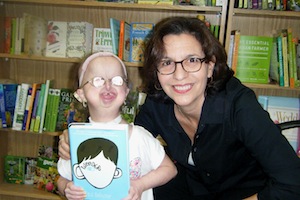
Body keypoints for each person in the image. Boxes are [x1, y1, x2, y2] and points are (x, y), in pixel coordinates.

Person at [58, 17, 300, 200]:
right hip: (191, 189)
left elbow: (293, 183)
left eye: (192, 60)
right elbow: (129, 145)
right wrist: (75, 140)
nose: (179, 74)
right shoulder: (158, 102)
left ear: (209, 67)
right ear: (156, 71)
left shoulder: (239, 107)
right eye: (167, 63)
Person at [56, 52, 177, 200]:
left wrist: (140, 185)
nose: (108, 85)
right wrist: (67, 188)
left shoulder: (140, 136)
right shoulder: (75, 140)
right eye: (98, 80)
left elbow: (170, 169)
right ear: (81, 94)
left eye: (117, 80)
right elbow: (62, 178)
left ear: (126, 92)